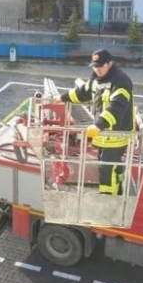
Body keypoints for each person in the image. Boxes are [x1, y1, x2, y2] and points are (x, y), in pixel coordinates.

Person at [54, 49, 134, 196]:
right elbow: (83, 92)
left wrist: (98, 125)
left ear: (110, 63)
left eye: (100, 66)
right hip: (104, 135)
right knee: (111, 165)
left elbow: (116, 107)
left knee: (106, 168)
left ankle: (109, 198)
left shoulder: (121, 82)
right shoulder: (98, 79)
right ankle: (118, 185)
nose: (97, 69)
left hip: (115, 136)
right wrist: (63, 97)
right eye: (94, 66)